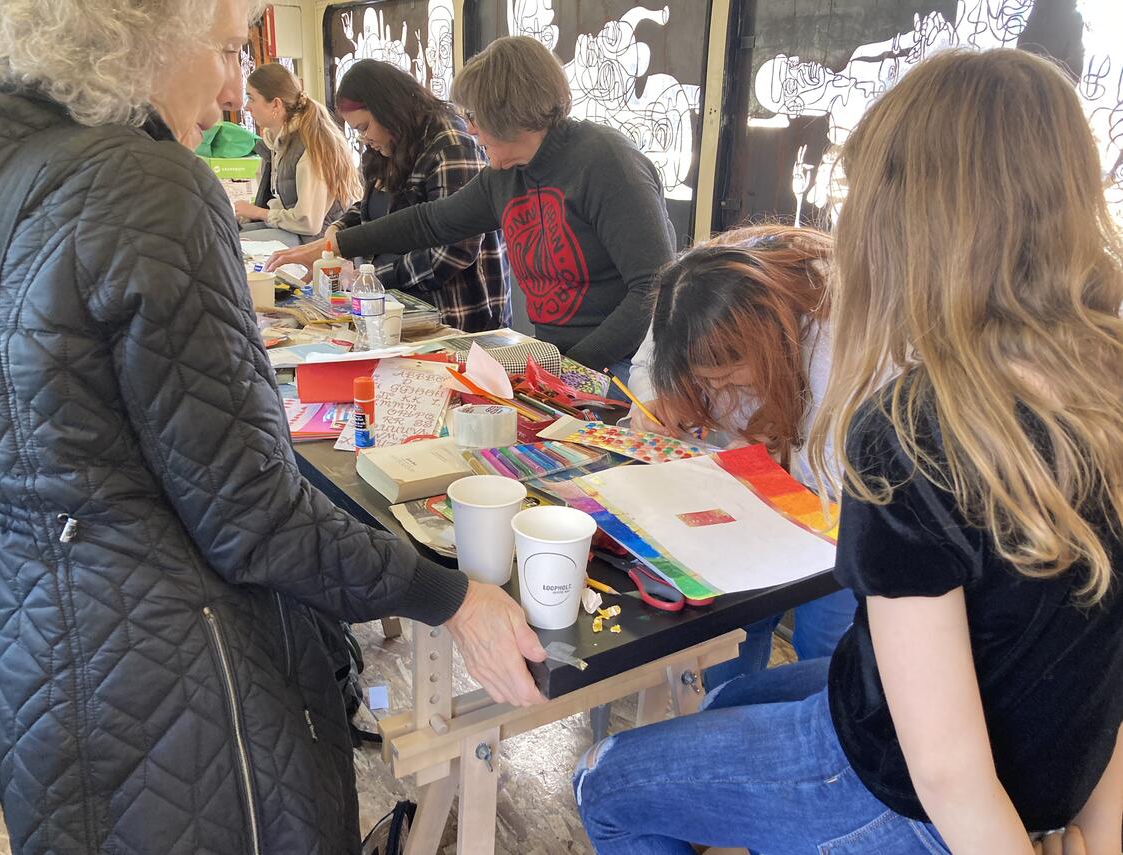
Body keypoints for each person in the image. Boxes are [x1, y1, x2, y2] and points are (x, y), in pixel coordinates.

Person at [0, 1, 545, 853]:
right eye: (221, 50)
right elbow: (253, 513)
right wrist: (451, 596)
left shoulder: (9, 169)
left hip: (42, 652)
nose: (230, 87)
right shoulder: (143, 182)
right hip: (175, 685)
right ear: (142, 39)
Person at [575, 48, 1123, 855]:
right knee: (736, 699)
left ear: (905, 225)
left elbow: (941, 769)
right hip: (1020, 772)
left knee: (605, 782)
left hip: (907, 791)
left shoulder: (913, 428)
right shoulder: (1100, 385)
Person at [267, 35, 676, 376]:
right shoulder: (506, 174)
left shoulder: (606, 162)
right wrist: (332, 246)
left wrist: (570, 369)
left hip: (621, 363)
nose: (472, 128)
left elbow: (654, 288)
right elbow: (430, 223)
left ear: (510, 113)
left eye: (476, 117)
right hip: (551, 353)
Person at [630, 224, 856, 686]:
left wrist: (764, 460)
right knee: (730, 636)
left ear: (767, 342)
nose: (716, 394)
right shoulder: (687, 296)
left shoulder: (834, 328)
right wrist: (659, 397)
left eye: (729, 381)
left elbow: (854, 463)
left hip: (841, 515)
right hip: (743, 505)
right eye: (704, 383)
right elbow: (644, 366)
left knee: (830, 654)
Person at [325, 58, 510, 332]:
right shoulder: (388, 146)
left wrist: (372, 278)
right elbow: (375, 208)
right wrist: (340, 228)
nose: (364, 140)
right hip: (399, 307)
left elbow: (454, 250)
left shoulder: (450, 145)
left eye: (364, 128)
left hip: (454, 315)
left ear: (388, 111)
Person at [236, 62, 361, 246]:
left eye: (251, 98)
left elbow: (308, 222)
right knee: (229, 239)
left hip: (320, 244)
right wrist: (249, 215)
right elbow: (281, 202)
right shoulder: (275, 143)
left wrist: (258, 213)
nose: (247, 107)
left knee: (236, 247)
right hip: (298, 235)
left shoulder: (310, 146)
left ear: (276, 104)